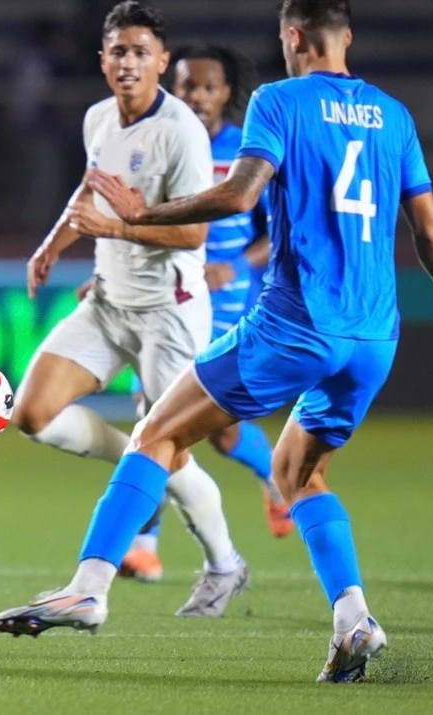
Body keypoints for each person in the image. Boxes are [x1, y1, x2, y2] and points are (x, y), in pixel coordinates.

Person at [0, 0, 433, 684]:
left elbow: (239, 197)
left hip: (297, 322)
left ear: (293, 35)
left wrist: (139, 216)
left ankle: (88, 588)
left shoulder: (278, 100)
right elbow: (427, 225)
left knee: (155, 433)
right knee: (298, 473)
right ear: (347, 37)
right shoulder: (393, 115)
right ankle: (353, 619)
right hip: (374, 335)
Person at [12, 0, 249, 619]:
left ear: (161, 62)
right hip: (109, 302)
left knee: (175, 452)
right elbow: (90, 190)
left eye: (141, 52)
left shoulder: (181, 132)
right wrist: (52, 245)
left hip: (169, 313)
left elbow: (194, 234)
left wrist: (116, 229)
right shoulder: (98, 118)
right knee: (31, 413)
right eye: (119, 51)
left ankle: (224, 563)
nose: (129, 62)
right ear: (103, 59)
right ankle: (140, 454)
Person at [121, 43, 289, 583]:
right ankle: (144, 546)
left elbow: (277, 234)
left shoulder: (248, 150)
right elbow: (136, 219)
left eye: (208, 87)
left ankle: (277, 480)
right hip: (162, 293)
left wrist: (233, 265)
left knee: (214, 430)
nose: (196, 95)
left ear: (226, 94)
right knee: (154, 415)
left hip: (226, 300)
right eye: (187, 85)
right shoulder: (156, 143)